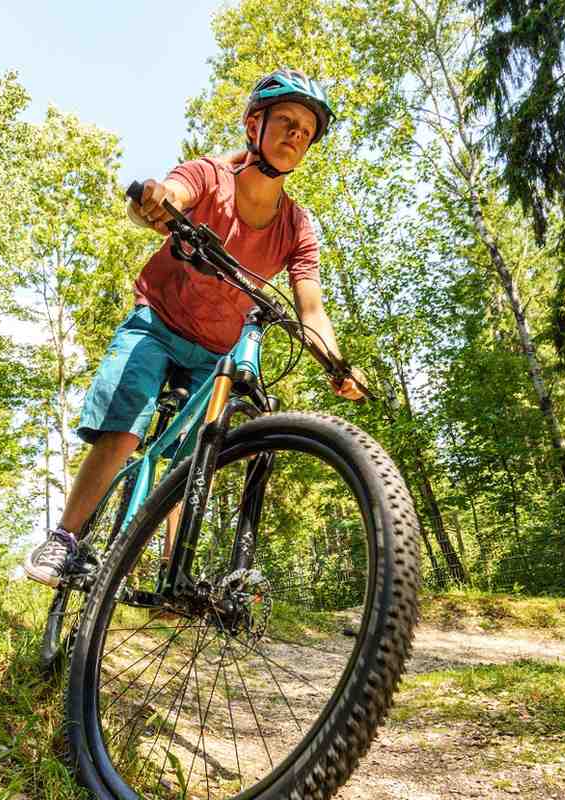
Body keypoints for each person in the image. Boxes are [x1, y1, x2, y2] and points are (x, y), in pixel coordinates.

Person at [24, 68, 364, 588]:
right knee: (125, 421)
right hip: (158, 322)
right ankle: (64, 540)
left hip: (215, 354)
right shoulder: (211, 174)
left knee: (193, 459)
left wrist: (335, 365)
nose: (297, 134)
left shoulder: (296, 226)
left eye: (307, 130)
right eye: (287, 122)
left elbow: (311, 310)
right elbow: (169, 196)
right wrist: (156, 203)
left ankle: (170, 573)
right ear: (255, 124)